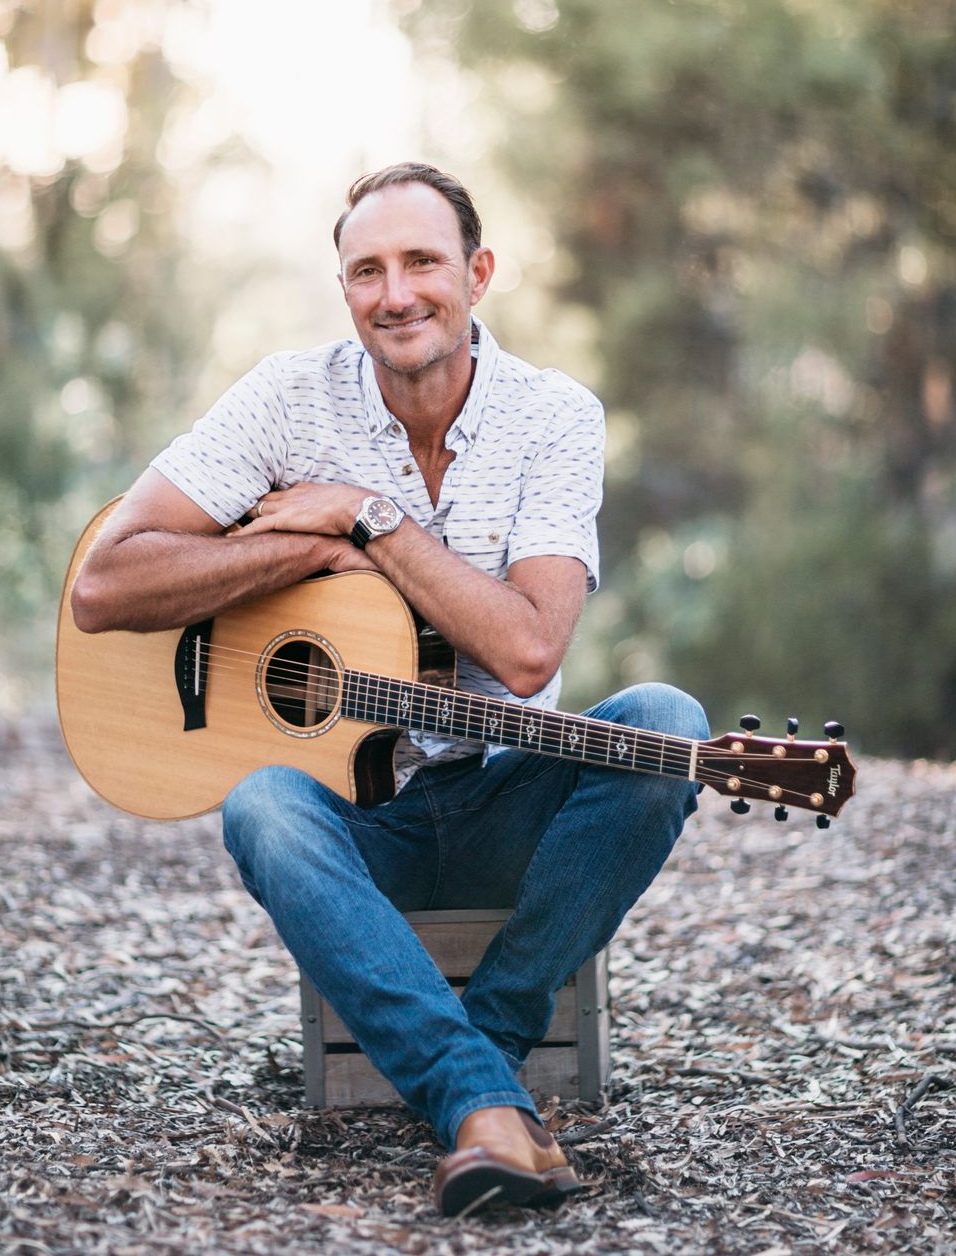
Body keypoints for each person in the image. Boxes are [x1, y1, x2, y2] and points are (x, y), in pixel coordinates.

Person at [70, 162, 708, 1216]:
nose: (396, 292)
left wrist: (367, 517)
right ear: (344, 288)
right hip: (358, 827)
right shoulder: (284, 398)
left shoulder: (553, 416)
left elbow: (526, 653)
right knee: (261, 804)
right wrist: (306, 551)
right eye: (367, 270)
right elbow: (104, 586)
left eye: (422, 262)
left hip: (505, 799)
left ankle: (479, 1064)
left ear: (478, 273)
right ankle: (486, 1097)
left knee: (666, 725)